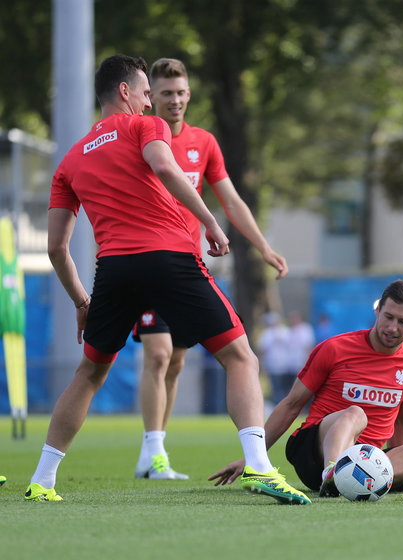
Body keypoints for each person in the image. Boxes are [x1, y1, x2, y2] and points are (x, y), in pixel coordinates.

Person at [26, 54, 308, 505]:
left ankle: (42, 479)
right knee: (240, 358)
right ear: (125, 91)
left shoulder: (71, 160)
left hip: (113, 271)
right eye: (144, 92)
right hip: (169, 258)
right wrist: (209, 222)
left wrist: (82, 301)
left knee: (90, 372)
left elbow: (57, 248)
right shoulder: (145, 127)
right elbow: (164, 166)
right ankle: (259, 467)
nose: (148, 101)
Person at [131, 58, 288, 481]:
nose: (175, 100)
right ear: (151, 97)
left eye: (181, 92)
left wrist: (264, 248)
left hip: (189, 264)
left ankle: (154, 452)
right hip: (149, 262)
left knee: (178, 360)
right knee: (158, 354)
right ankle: (153, 451)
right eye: (166, 93)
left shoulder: (204, 142)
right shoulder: (140, 135)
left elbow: (232, 200)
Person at [208, 279, 403, 496]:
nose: (392, 328)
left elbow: (401, 422)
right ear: (378, 310)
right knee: (355, 413)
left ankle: (367, 480)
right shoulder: (335, 349)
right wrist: (253, 457)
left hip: (368, 458)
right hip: (313, 453)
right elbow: (291, 405)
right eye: (388, 317)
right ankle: (336, 472)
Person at [257, 311, 291, 405]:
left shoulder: (285, 331)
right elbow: (262, 348)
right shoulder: (267, 333)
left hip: (285, 364)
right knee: (276, 387)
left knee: (285, 387)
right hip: (272, 364)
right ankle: (278, 405)